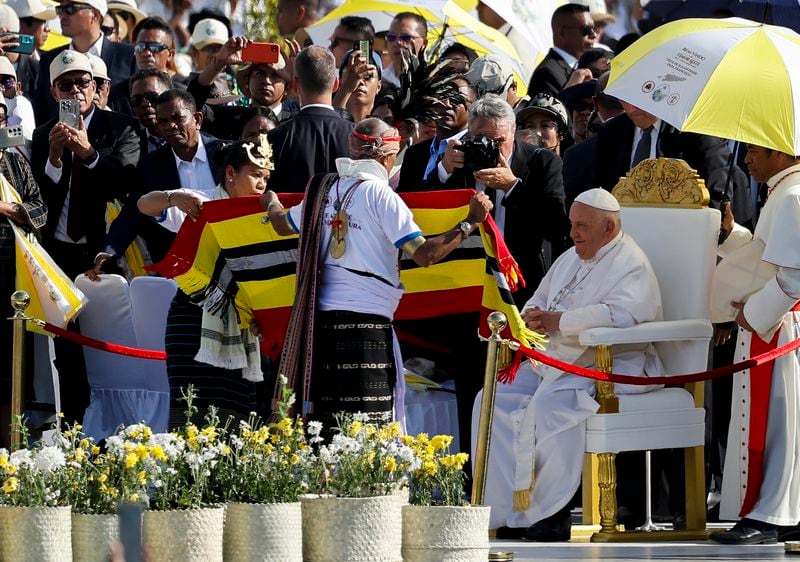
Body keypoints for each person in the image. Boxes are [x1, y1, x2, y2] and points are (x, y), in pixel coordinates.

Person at [261, 117, 492, 429]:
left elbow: (279, 224)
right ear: (387, 156)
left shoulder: (322, 190)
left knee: (326, 428)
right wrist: (470, 223)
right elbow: (424, 256)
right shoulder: (382, 196)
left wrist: (272, 202)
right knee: (369, 431)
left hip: (322, 328)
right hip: (366, 327)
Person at [475, 188, 664, 541]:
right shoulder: (571, 257)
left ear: (608, 227)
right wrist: (531, 316)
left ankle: (552, 513)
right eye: (572, 224)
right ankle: (508, 511)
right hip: (555, 362)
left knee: (551, 406)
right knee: (492, 397)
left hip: (609, 365)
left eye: (582, 226)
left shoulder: (631, 263)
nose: (573, 232)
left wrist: (560, 321)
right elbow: (541, 298)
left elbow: (624, 315)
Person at [31, 50, 141, 424]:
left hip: (104, 254)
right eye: (66, 85)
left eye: (83, 83)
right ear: (53, 92)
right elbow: (39, 199)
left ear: (96, 88)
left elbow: (126, 182)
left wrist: (90, 154)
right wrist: (56, 158)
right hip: (59, 253)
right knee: (68, 349)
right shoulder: (44, 133)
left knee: (109, 346)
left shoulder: (122, 127)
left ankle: (117, 428)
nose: (76, 91)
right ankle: (75, 429)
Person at [136, 136, 273, 426]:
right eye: (255, 175)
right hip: (192, 320)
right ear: (231, 173)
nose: (261, 184)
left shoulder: (264, 217)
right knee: (192, 414)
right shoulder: (203, 203)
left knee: (239, 419)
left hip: (241, 325)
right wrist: (175, 198)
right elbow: (143, 204)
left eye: (266, 177)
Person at [711, 144, 800, 544]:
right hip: (776, 323)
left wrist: (754, 314)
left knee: (779, 425)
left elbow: (794, 275)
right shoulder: (783, 191)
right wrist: (732, 237)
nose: (747, 159)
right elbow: (764, 256)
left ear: (782, 153)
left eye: (755, 151)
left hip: (778, 327)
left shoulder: (793, 195)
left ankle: (770, 514)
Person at [430, 94, 569, 306]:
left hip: (519, 280)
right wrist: (443, 170)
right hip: (463, 278)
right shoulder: (459, 158)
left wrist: (512, 186)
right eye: (481, 138)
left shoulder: (542, 162)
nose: (490, 146)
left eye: (498, 141)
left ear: (514, 133)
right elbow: (424, 210)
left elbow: (556, 227)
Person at [0, 92, 47, 449]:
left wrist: (8, 208)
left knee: (9, 368)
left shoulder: (17, 163)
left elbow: (39, 210)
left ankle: (10, 448)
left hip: (10, 277)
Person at [33, 0, 136, 124]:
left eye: (70, 9)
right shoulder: (49, 60)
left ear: (95, 15)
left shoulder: (129, 56)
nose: (62, 15)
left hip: (120, 141)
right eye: (60, 9)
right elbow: (41, 116)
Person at [267, 45, 354, 192]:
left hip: (292, 214)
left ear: (295, 84)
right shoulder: (356, 136)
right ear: (336, 84)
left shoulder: (276, 137)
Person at [397, 74, 475, 192]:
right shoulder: (414, 154)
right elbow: (404, 200)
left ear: (472, 106)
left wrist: (444, 171)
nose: (447, 103)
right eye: (441, 96)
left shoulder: (475, 152)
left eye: (456, 99)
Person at [528, 4, 596, 98]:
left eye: (593, 28)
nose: (594, 35)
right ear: (562, 33)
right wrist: (570, 89)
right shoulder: (547, 73)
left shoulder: (589, 65)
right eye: (586, 29)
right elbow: (548, 111)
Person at [333, 49, 382, 123]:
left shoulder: (388, 129)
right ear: (340, 83)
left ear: (379, 86)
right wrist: (346, 90)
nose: (359, 81)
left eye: (367, 75)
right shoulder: (323, 122)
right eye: (352, 76)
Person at [382, 12, 428, 88]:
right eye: (391, 37)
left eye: (405, 38)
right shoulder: (377, 81)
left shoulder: (431, 83)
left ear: (424, 43)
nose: (397, 42)